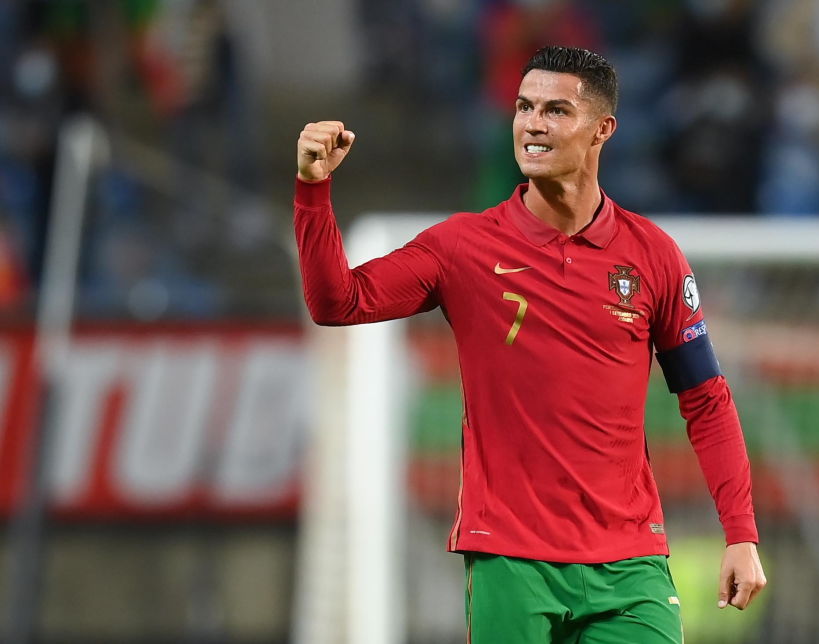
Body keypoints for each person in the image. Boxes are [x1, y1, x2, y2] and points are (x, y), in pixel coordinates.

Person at [293, 45, 766, 644]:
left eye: (555, 110)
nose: (533, 124)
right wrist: (313, 191)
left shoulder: (654, 256)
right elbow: (339, 302)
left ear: (602, 130)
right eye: (523, 107)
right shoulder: (461, 247)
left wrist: (741, 534)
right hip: (511, 558)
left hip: (629, 563)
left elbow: (706, 400)